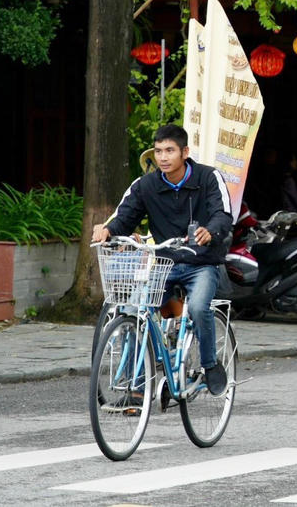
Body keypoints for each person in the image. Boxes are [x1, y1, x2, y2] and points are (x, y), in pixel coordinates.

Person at [92, 125, 233, 397]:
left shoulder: (208, 178)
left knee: (199, 308)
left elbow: (223, 214)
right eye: (158, 151)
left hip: (201, 263)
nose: (163, 157)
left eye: (170, 150)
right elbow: (125, 216)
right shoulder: (146, 186)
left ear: (185, 152)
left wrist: (210, 231)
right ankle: (138, 387)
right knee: (137, 311)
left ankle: (209, 365)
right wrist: (108, 229)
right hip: (164, 265)